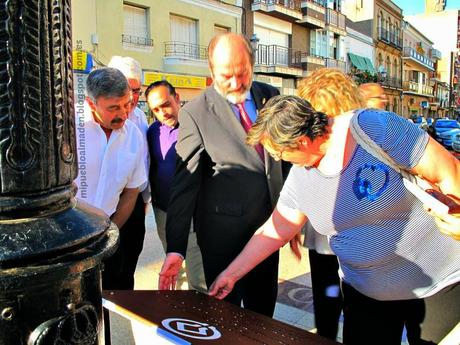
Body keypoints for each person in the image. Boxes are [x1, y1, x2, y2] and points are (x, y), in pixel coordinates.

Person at [209, 72, 460, 344]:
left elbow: (449, 173)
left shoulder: (372, 128)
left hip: (436, 283)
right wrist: (231, 274)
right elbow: (276, 229)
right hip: (366, 295)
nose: (279, 160)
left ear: (302, 142)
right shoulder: (301, 174)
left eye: (280, 153)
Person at [158, 33, 285, 317]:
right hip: (221, 239)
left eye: (243, 73)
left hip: (267, 231)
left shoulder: (271, 96)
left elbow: (282, 162)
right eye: (226, 75)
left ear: (253, 65)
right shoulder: (195, 112)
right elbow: (184, 184)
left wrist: (288, 216)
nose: (236, 83)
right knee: (225, 317)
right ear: (212, 71)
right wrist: (176, 248)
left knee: (263, 313)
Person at [300, 78, 391, 340]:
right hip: (324, 243)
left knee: (361, 313)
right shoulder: (311, 145)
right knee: (327, 299)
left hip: (364, 253)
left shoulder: (381, 139)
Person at [74, 67, 147, 343]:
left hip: (105, 241)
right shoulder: (68, 128)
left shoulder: (133, 137)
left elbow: (131, 193)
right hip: (70, 244)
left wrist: (110, 232)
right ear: (91, 103)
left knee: (103, 312)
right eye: (113, 107)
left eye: (128, 104)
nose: (124, 113)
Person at [146, 80, 207, 293]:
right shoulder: (152, 131)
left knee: (197, 271)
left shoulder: (197, 128)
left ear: (177, 98)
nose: (163, 112)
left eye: (166, 104)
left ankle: (199, 311)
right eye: (156, 109)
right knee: (172, 258)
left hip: (191, 212)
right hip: (162, 210)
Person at [107, 56, 150, 290]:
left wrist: (145, 199)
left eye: (137, 90)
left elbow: (145, 159)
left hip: (134, 202)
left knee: (128, 263)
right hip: (105, 204)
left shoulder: (141, 118)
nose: (132, 97)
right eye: (127, 88)